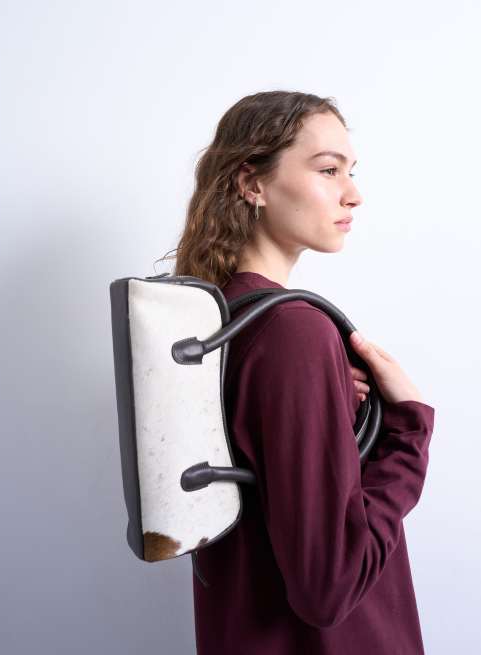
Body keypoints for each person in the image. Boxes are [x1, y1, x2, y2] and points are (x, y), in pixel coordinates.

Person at [158, 90, 435, 654]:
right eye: (328, 170)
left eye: (351, 171)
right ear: (252, 183)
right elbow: (327, 589)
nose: (353, 194)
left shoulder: (218, 320)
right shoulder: (292, 332)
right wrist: (407, 432)